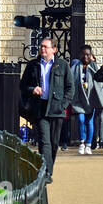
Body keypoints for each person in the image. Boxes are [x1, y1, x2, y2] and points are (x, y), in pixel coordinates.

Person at [19, 37, 75, 182]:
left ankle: (47, 169)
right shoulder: (33, 65)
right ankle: (46, 173)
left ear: (54, 49)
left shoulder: (62, 65)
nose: (42, 49)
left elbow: (70, 87)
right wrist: (33, 89)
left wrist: (63, 104)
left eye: (45, 47)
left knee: (54, 143)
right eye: (41, 47)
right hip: (40, 108)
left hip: (57, 108)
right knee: (45, 142)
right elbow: (23, 86)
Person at [70, 46, 101, 155]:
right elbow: (70, 80)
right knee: (80, 119)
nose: (86, 56)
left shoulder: (93, 66)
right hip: (78, 98)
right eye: (84, 54)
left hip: (91, 98)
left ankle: (88, 144)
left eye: (88, 54)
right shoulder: (75, 66)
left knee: (89, 121)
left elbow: (99, 81)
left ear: (91, 55)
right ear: (80, 55)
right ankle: (81, 142)